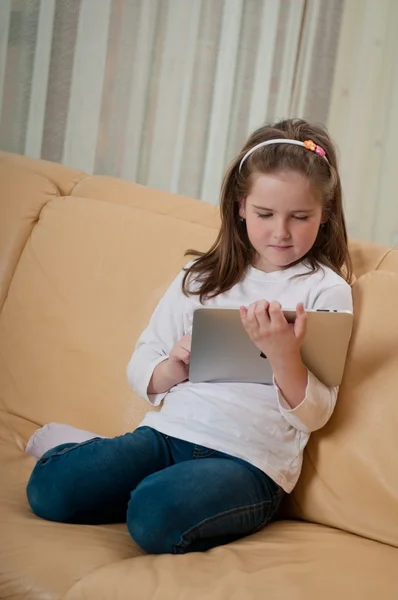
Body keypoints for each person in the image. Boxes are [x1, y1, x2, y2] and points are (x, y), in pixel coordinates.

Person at [26, 118, 353, 555]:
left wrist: (283, 357)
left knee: (153, 515)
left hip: (249, 463)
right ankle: (89, 453)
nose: (281, 232)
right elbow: (143, 360)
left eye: (300, 217)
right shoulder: (201, 277)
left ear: (325, 214)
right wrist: (172, 367)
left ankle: (125, 476)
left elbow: (316, 414)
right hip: (168, 433)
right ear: (239, 206)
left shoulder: (326, 290)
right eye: (264, 214)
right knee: (49, 489)